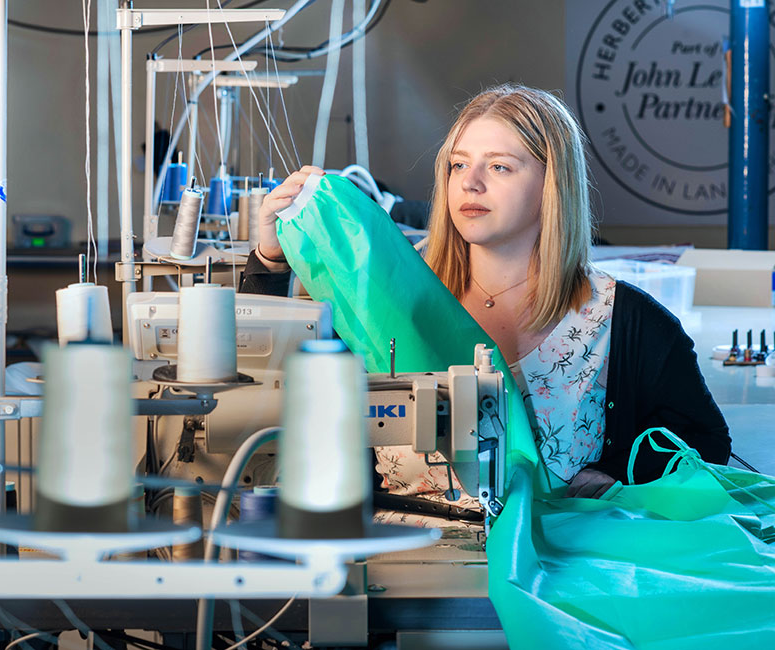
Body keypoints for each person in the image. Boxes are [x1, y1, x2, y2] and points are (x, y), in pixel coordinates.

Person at [240, 84, 729, 513]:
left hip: (561, 582)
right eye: (458, 165)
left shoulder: (626, 322)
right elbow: (258, 394)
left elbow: (705, 445)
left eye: (499, 166)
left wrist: (619, 477)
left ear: (551, 185)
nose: (470, 183)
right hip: (398, 573)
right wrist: (269, 260)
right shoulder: (382, 294)